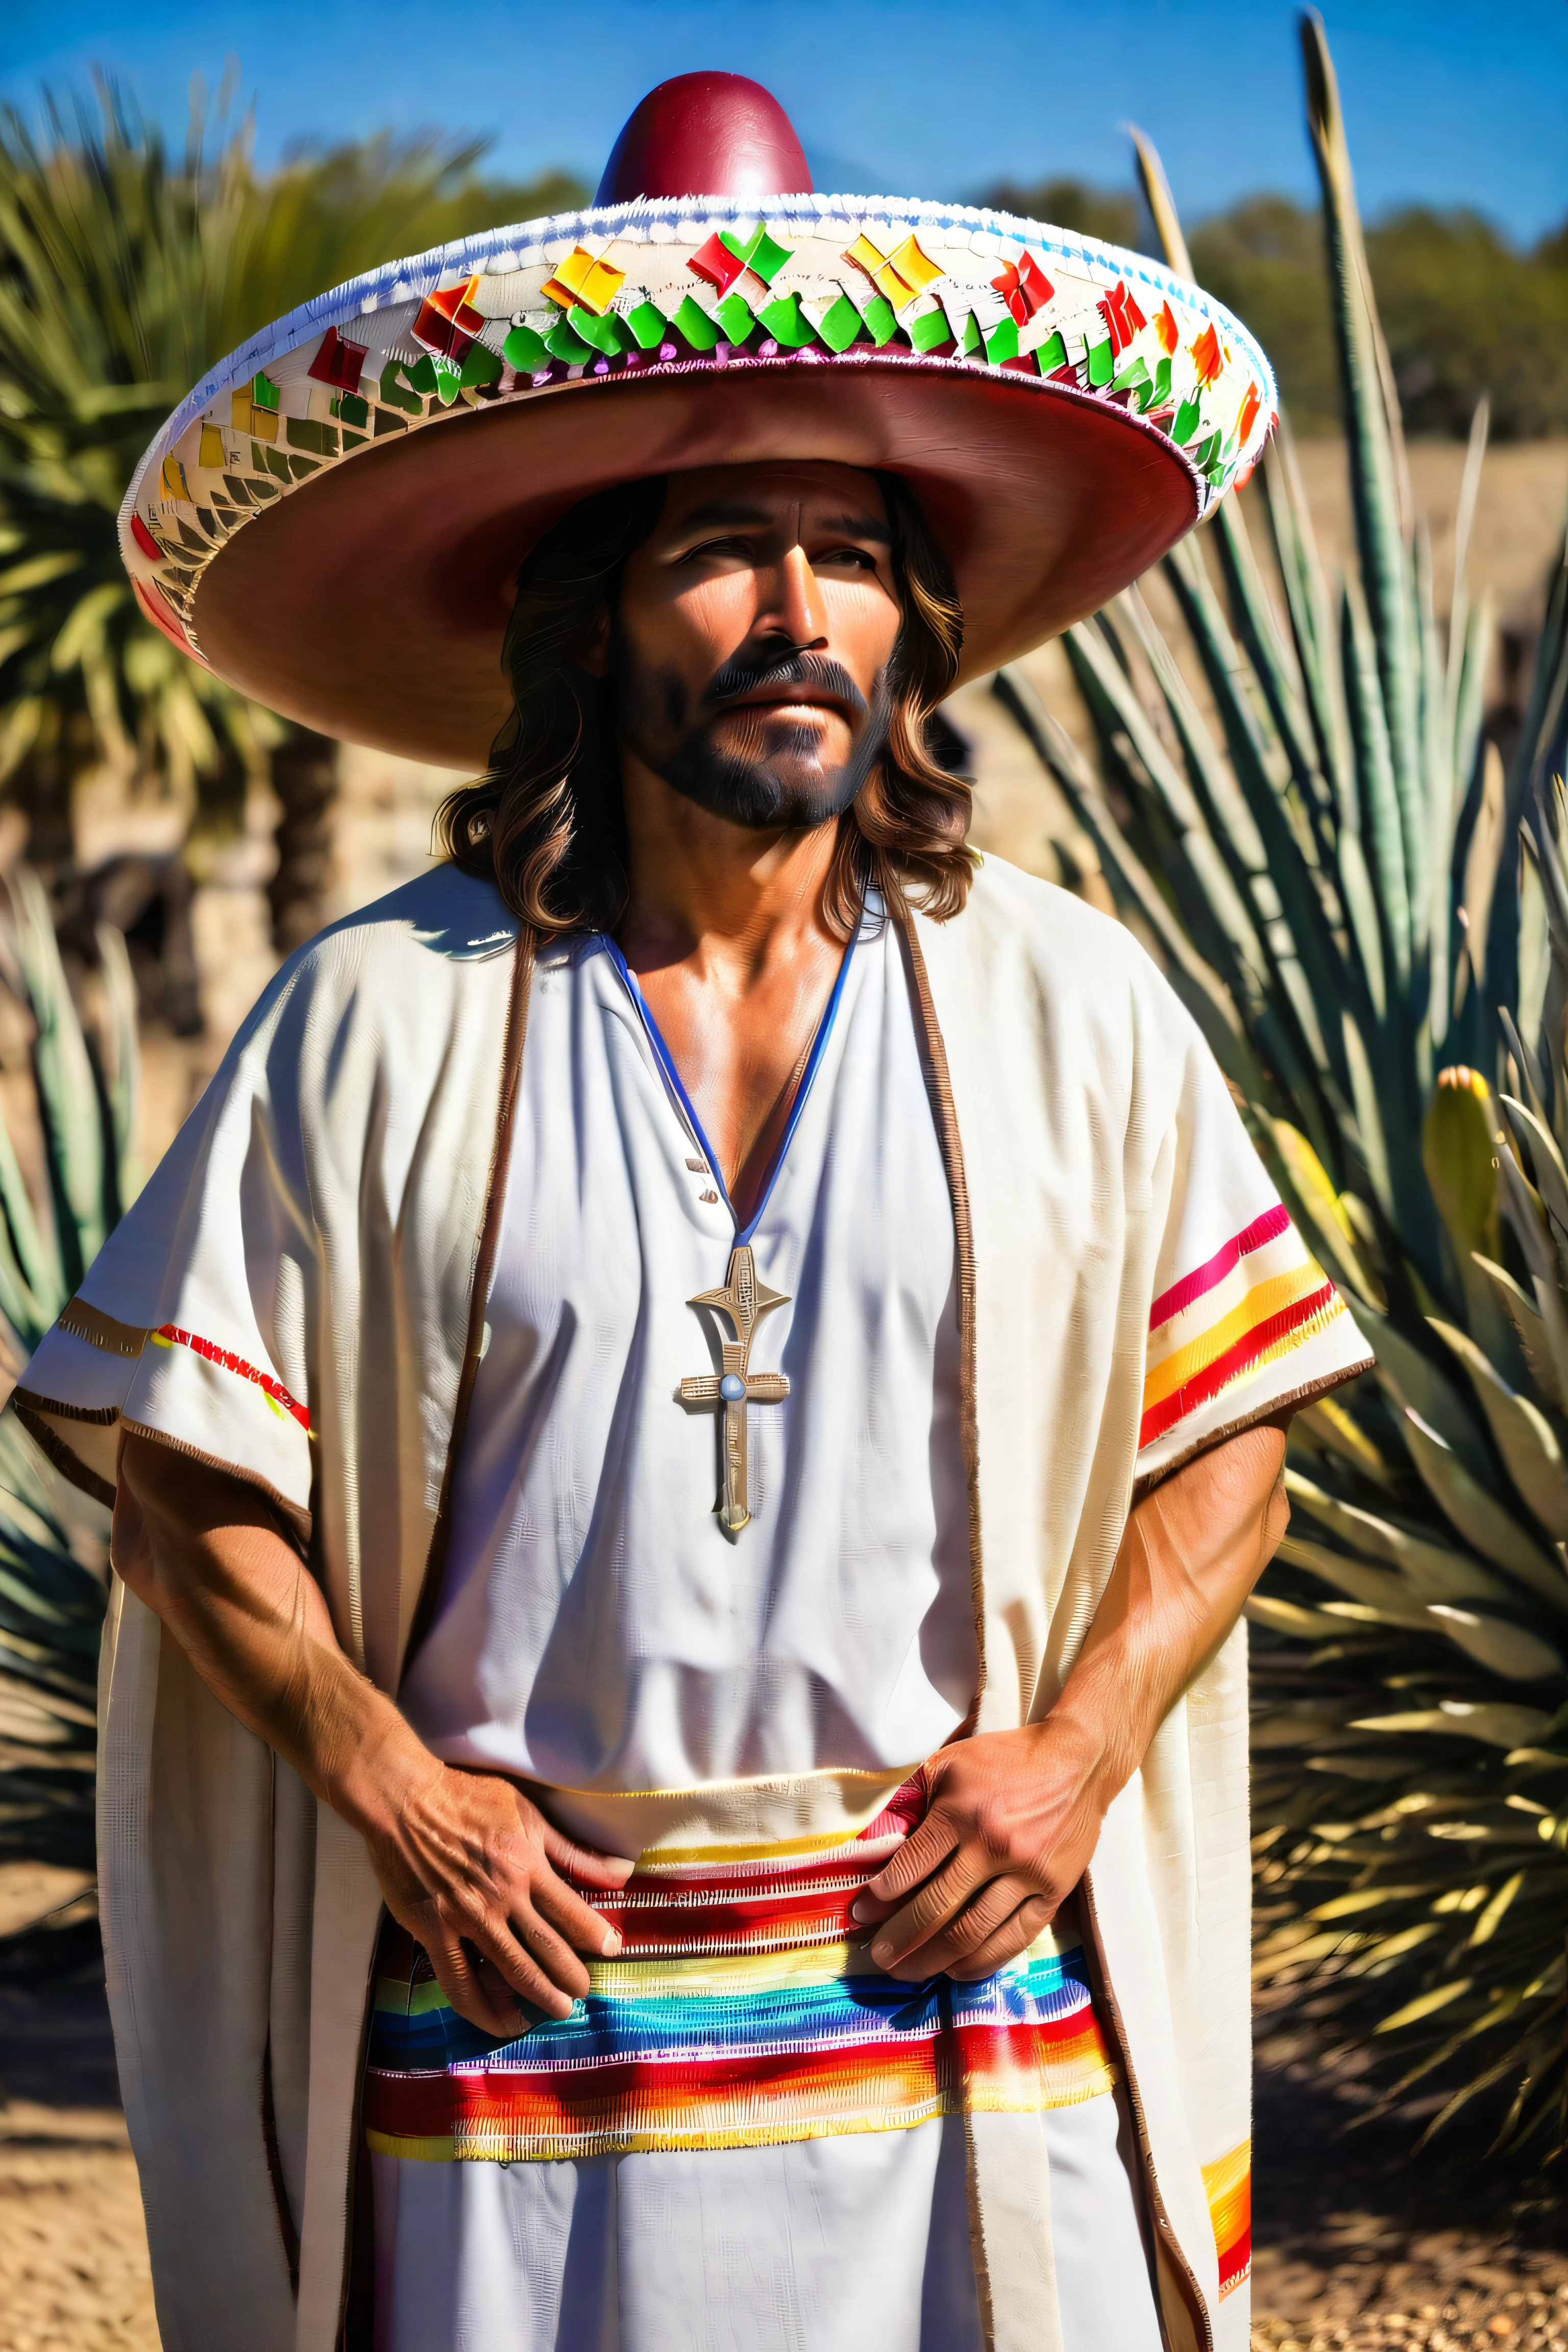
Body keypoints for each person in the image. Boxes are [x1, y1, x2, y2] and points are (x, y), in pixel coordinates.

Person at [13, 70, 1369, 2352]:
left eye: (849, 557)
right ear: (586, 614)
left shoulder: (1067, 1009)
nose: (795, 615)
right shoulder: (377, 1021)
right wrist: (392, 1793)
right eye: (725, 549)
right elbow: (178, 1479)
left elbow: (1231, 1424)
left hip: (970, 2042)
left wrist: (1083, 1747)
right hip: (513, 2070)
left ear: (919, 625)